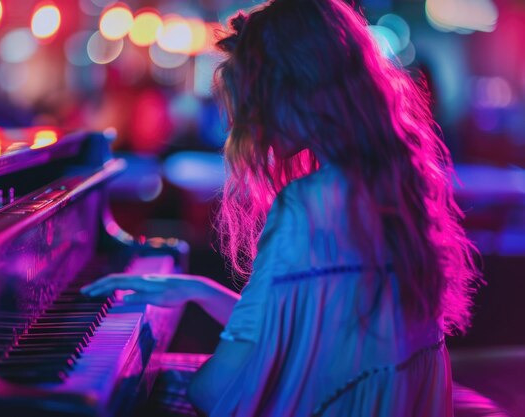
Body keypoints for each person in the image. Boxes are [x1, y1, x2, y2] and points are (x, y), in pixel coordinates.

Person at [81, 0, 480, 415]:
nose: (247, 125)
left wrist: (136, 372)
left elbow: (214, 394)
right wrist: (196, 291)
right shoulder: (396, 180)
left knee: (138, 389)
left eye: (253, 99)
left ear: (295, 88)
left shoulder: (309, 204)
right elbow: (310, 331)